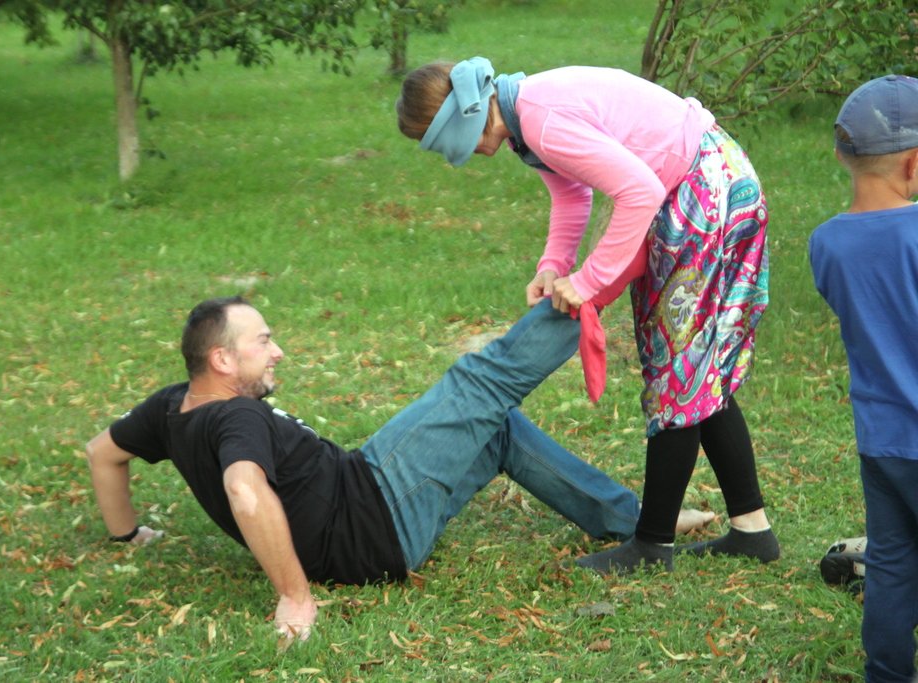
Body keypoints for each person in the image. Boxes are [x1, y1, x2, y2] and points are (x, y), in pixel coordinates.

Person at [87, 295, 714, 641]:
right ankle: (596, 287)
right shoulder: (237, 419)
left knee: (497, 429)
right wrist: (294, 598)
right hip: (376, 512)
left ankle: (633, 519)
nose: (278, 351)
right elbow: (245, 493)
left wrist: (127, 535)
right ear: (222, 360)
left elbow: (102, 453)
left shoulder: (173, 405)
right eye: (263, 341)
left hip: (364, 500)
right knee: (480, 382)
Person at [397, 57, 778, 575]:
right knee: (694, 368)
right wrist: (553, 266)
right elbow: (572, 194)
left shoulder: (538, 118)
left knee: (679, 371)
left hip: (704, 191)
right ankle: (753, 531)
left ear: (461, 119)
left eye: (441, 143)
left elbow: (639, 191)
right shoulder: (523, 122)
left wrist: (589, 281)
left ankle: (651, 545)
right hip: (702, 181)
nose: (451, 158)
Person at [808, 74, 918, 683]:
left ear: (840, 155)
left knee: (893, 561)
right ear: (913, 163)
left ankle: (887, 673)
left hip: (881, 440)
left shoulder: (826, 245)